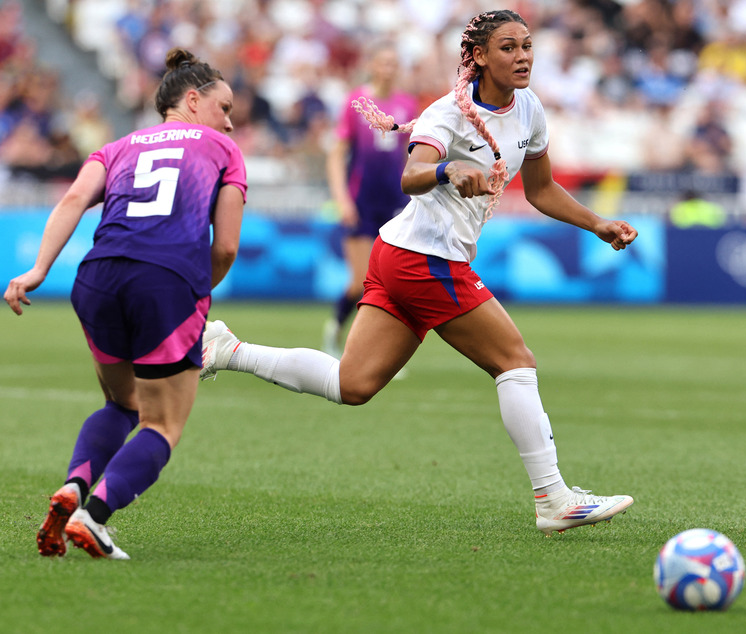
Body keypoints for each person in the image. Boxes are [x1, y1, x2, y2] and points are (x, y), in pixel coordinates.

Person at [202, 10, 636, 536]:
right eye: (508, 47)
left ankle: (227, 350)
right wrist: (448, 169)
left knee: (352, 383)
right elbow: (411, 174)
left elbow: (541, 190)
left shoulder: (530, 109)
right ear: (478, 56)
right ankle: (553, 499)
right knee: (514, 361)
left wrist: (596, 223)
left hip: (399, 254)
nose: (522, 57)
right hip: (424, 260)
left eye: (526, 45)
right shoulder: (446, 114)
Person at [4, 48, 246, 559]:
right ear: (194, 99)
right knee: (163, 423)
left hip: (96, 277)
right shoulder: (223, 150)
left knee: (122, 403)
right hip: (164, 281)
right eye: (225, 108)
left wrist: (38, 270)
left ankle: (74, 487)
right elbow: (224, 247)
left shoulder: (118, 146)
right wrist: (199, 291)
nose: (229, 122)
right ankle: (93, 519)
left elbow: (72, 200)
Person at [324, 41, 417, 358]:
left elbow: (412, 155)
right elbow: (336, 155)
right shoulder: (357, 101)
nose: (389, 69)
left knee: (394, 282)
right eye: (384, 62)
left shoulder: (407, 104)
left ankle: (380, 352)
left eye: (394, 63)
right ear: (373, 65)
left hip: (395, 203)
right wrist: (342, 200)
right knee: (362, 281)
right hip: (361, 202)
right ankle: (335, 330)